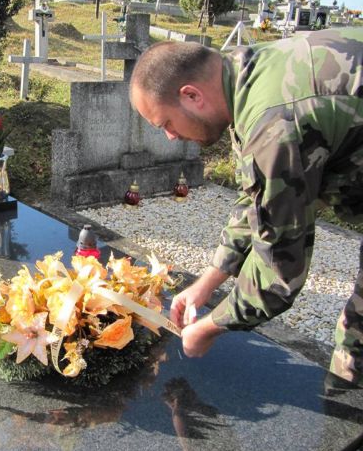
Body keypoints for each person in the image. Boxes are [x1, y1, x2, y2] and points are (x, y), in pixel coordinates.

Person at [129, 28, 363, 387]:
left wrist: (211, 326)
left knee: (355, 350)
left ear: (191, 95)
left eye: (166, 124)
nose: (171, 137)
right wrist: (207, 283)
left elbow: (279, 273)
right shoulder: (244, 77)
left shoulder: (274, 125)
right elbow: (257, 198)